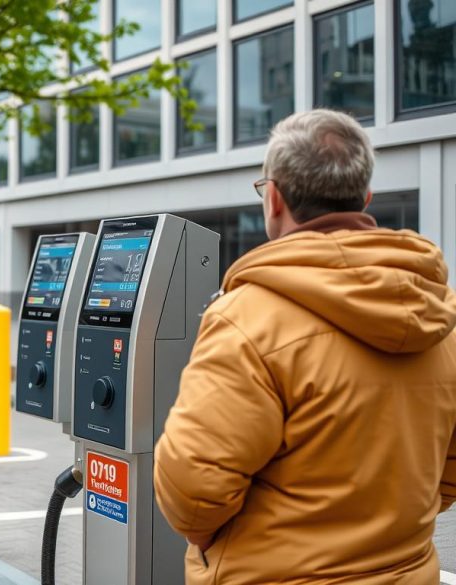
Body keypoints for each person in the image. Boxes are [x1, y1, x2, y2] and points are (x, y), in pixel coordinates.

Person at [153, 109, 456, 583]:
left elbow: (192, 493)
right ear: (365, 198)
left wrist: (221, 541)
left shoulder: (245, 318)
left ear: (273, 198)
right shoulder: (441, 316)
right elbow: (449, 470)